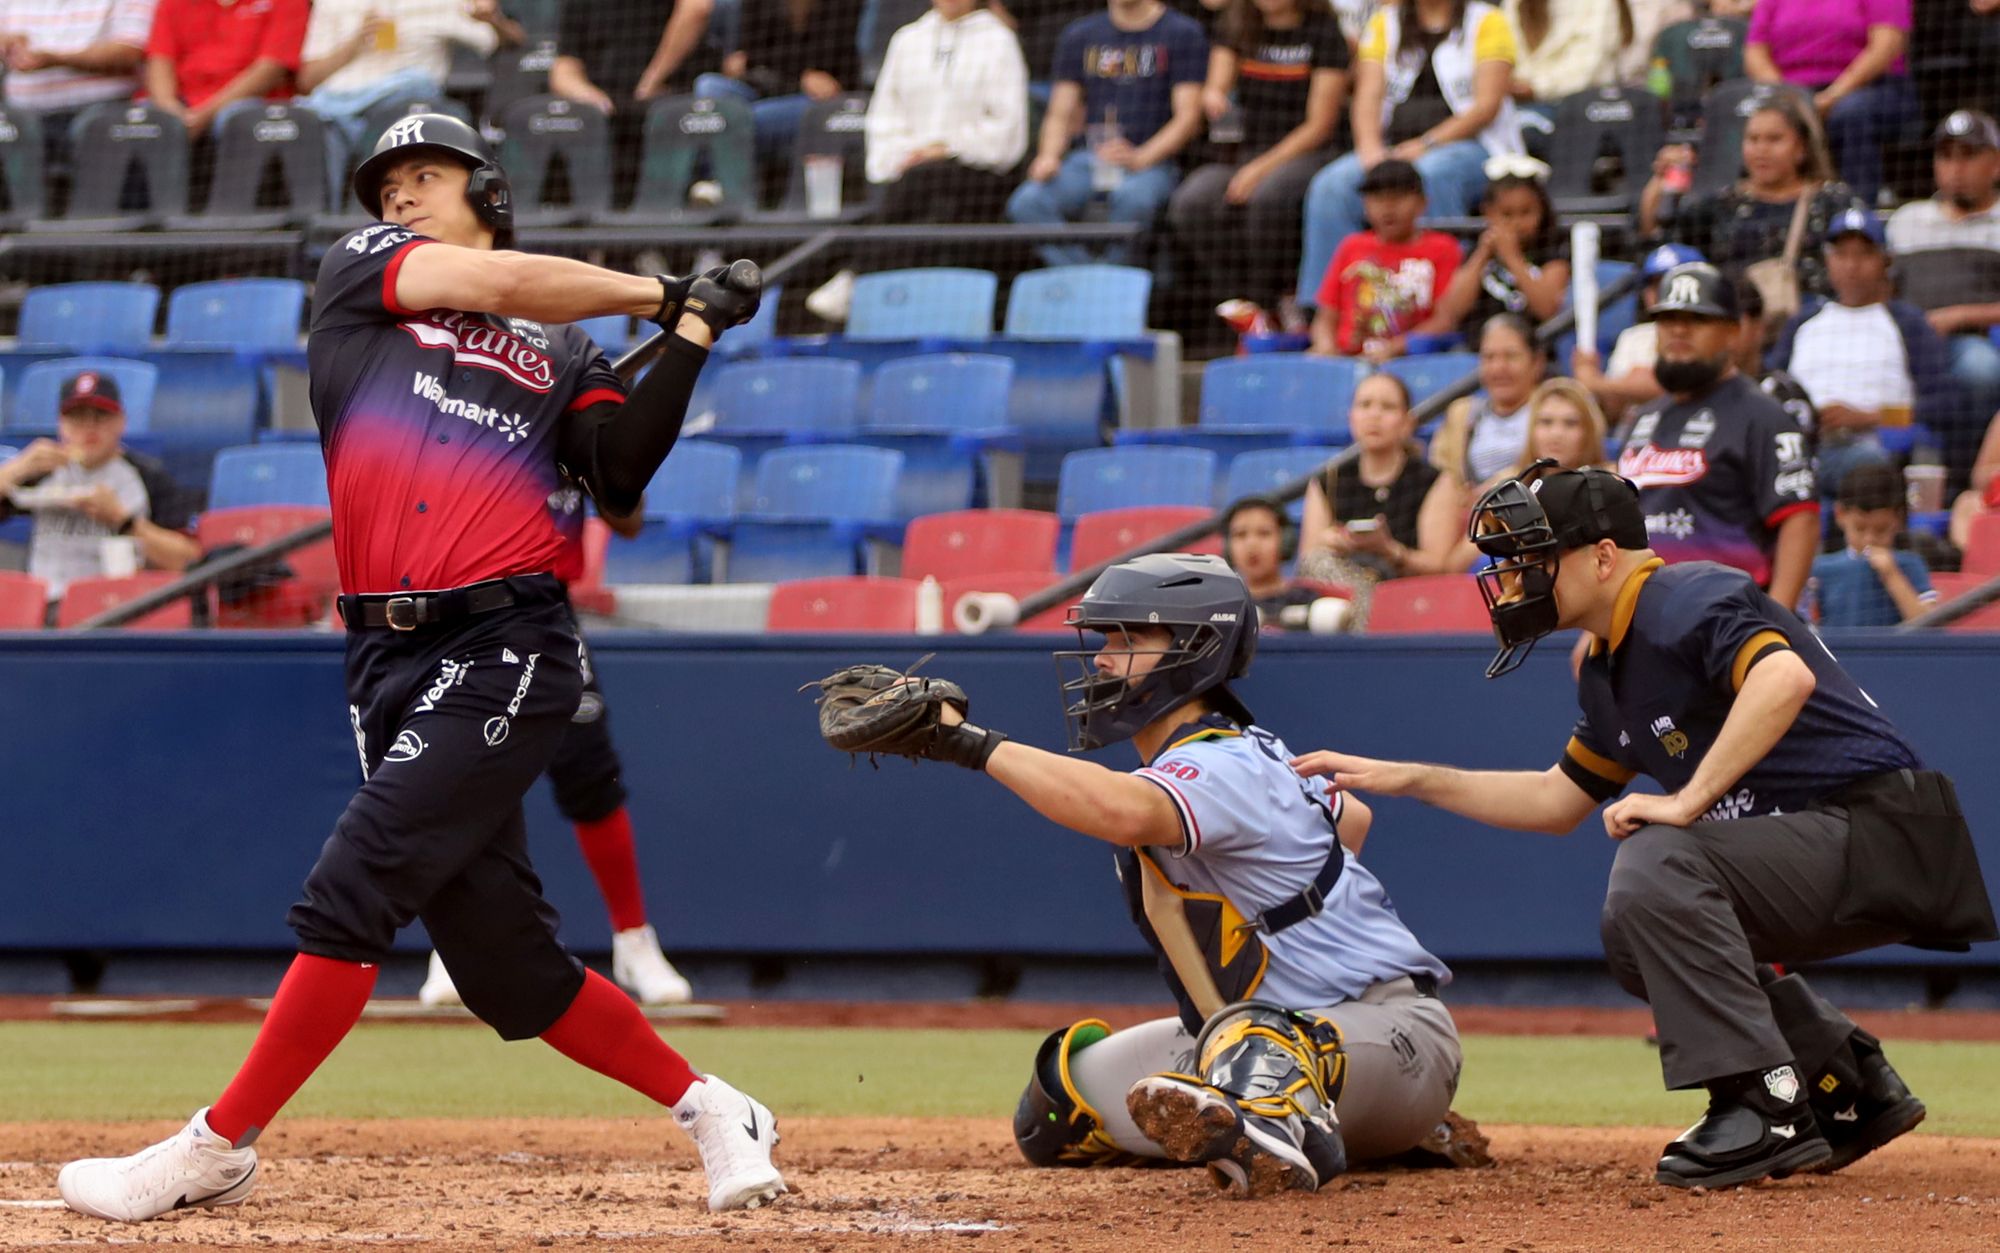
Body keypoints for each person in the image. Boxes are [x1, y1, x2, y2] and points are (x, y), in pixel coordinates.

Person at [55, 115, 782, 1223]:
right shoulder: (362, 273)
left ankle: (216, 1144)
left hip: (505, 642)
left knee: (356, 884)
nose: (398, 198)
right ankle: (713, 1105)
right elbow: (507, 279)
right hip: (384, 656)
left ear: (487, 188)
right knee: (505, 968)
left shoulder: (564, 353)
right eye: (386, 184)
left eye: (425, 177)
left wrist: (690, 334)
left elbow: (619, 471)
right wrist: (655, 293)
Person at [1291, 461, 1993, 1189]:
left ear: (1601, 556)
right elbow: (1555, 799)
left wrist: (1684, 804)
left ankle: (1763, 1103)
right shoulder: (1607, 661)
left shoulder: (1683, 595)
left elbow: (1784, 678)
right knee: (1635, 930)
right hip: (1838, 841)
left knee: (1658, 859)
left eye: (1533, 560)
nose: (1512, 579)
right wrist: (1409, 777)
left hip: (1888, 829)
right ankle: (1843, 1080)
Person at [839, 552, 1461, 1194]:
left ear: (1195, 651)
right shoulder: (1238, 751)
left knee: (1262, 1041)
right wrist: (1295, 900)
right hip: (1270, 1032)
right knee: (1057, 1109)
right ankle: (1321, 1109)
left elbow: (1124, 811)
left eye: (1129, 638)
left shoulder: (1221, 762)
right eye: (1106, 638)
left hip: (1384, 1032)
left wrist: (966, 742)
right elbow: (1350, 818)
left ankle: (1309, 1121)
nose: (1104, 657)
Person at [418, 498, 694, 1010]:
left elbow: (627, 516)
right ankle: (455, 944)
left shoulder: (573, 418)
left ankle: (633, 940)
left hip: (544, 604)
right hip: (460, 607)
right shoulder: (463, 419)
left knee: (590, 772)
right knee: (463, 772)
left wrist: (610, 464)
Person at [1295, 0, 1525, 315]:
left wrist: (1428, 143)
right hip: (1396, 148)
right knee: (1332, 186)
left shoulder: (1487, 21)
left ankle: (1443, 308)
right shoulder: (1383, 23)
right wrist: (1371, 150)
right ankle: (1326, 314)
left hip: (1473, 147)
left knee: (1431, 174)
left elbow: (1486, 106)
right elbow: (1367, 96)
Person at [1617, 262, 1820, 610]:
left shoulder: (1764, 416)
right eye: (1667, 319)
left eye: (1697, 320)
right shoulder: (1644, 418)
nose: (1678, 330)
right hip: (1646, 619)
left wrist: (1777, 617)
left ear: (1733, 331)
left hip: (1728, 618)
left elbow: (1800, 519)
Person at [1165, 0, 1349, 324]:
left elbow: (1320, 125)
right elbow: (1217, 81)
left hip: (1308, 152)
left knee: (1268, 199)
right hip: (1246, 150)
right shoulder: (1236, 25)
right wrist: (1214, 96)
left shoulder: (1324, 32)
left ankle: (1282, 299)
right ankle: (1244, 302)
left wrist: (1260, 169)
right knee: (1192, 201)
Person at [1768, 206, 1957, 496]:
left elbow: (1941, 405)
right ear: (1827, 260)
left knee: (1865, 467)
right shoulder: (1804, 320)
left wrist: (1870, 417)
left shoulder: (1907, 322)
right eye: (1841, 254)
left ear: (1886, 260)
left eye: (1863, 254)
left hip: (1876, 452)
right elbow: (1771, 386)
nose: (1851, 266)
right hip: (1800, 448)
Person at [1006, 0, 1208, 267]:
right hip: (1090, 159)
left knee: (1133, 200)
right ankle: (1089, 278)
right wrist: (1048, 155)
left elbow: (1188, 118)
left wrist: (1141, 157)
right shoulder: (1080, 34)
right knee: (1027, 202)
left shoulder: (1182, 32)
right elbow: (1060, 113)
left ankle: (1111, 284)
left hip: (1154, 164)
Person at [0, 371, 199, 616]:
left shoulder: (148, 476)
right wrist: (14, 470)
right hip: (44, 609)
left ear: (121, 421)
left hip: (117, 610)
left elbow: (189, 561)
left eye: (100, 416)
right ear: (61, 425)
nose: (89, 428)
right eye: (77, 418)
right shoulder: (40, 470)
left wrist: (124, 522)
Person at [298, 0, 524, 209]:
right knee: (307, 123)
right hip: (336, 108)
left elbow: (508, 41)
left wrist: (492, 18)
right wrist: (356, 42)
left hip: (404, 103)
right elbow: (307, 80)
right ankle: (329, 230)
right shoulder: (331, 3)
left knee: (413, 93)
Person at [1642, 96, 1859, 307]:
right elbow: (1662, 248)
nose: (1761, 150)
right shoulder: (1717, 206)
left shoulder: (1833, 202)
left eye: (1774, 139)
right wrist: (1658, 184)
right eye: (1753, 139)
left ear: (1801, 148)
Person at [1886, 109, 2000, 492]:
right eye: (1946, 156)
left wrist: (1960, 315)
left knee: (1980, 370)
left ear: (1995, 163)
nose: (1956, 168)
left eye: (1969, 156)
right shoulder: (1907, 220)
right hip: (1904, 341)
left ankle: (1966, 482)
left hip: (1971, 341)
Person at [1418, 374, 1611, 571]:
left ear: (1588, 431)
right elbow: (1455, 565)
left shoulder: (1608, 486)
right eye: (1545, 422)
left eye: (1570, 423)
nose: (1556, 433)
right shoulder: (1508, 491)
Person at [863, 0, 1030, 223]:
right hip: (906, 173)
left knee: (926, 187)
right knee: (913, 187)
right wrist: (912, 153)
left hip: (975, 178)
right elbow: (884, 117)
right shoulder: (906, 40)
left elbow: (1006, 126)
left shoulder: (999, 41)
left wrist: (949, 147)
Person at [1743, 0, 1913, 206]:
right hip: (1792, 93)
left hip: (1870, 87)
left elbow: (1887, 44)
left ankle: (1856, 211)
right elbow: (1755, 52)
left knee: (1849, 113)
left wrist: (1833, 95)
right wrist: (1788, 97)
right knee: (1753, 114)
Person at [555, 0, 717, 204]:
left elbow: (698, 8)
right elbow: (563, 66)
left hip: (669, 102)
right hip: (607, 113)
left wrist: (652, 80)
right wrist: (585, 94)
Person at [1307, 157, 1462, 359]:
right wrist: (1325, 346)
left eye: (1398, 198)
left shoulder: (1443, 248)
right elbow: (1326, 318)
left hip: (1411, 360)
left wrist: (1395, 348)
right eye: (1378, 199)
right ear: (1364, 205)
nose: (1388, 208)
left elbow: (1445, 320)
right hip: (1347, 359)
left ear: (1422, 203)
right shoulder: (1351, 246)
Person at [1299, 370, 1442, 586]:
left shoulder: (1433, 480)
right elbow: (1308, 562)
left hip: (1410, 595)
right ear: (1351, 417)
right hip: (1340, 595)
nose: (1374, 415)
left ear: (1407, 422)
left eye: (1388, 407)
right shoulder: (1328, 479)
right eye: (1365, 405)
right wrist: (1330, 542)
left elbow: (1440, 566)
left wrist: (1389, 551)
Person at [0, 0, 155, 185]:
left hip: (109, 118)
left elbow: (130, 52)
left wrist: (56, 59)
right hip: (21, 121)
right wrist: (6, 43)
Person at [693, 0, 865, 159]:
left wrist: (760, 63)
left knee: (747, 120)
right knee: (709, 85)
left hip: (812, 100)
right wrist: (800, 77)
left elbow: (835, 67)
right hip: (764, 87)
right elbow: (752, 52)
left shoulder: (843, 4)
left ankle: (723, 177)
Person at [1424, 156, 1569, 337]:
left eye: (1526, 212)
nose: (1517, 223)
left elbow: (1546, 309)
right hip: (1476, 351)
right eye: (1507, 214)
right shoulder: (1476, 251)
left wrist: (1512, 257)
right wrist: (1482, 255)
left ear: (1542, 211)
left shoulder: (1552, 252)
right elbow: (1451, 312)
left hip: (1530, 349)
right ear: (1489, 212)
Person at [1572, 242, 1705, 425]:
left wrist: (1595, 381)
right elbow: (1613, 411)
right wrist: (1593, 377)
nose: (1660, 292)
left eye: (1670, 282)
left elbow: (1670, 387)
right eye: (1654, 284)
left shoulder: (1708, 333)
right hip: (1635, 438)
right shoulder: (1633, 337)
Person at [142, 0, 308, 140]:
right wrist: (170, 110)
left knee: (236, 119)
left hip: (249, 102)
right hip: (184, 102)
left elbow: (271, 69)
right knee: (139, 119)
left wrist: (204, 115)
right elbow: (159, 60)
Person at [1424, 312, 1550, 489]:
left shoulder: (1552, 410)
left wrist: (1497, 488)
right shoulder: (1462, 413)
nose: (1499, 367)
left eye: (1511, 356)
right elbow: (1441, 473)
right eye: (1489, 357)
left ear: (1537, 362)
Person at [1806, 461, 1937, 626]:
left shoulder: (1910, 565)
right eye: (1860, 528)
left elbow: (1930, 626)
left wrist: (1892, 575)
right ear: (1839, 515)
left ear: (1898, 519)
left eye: (1881, 530)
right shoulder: (1820, 569)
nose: (1869, 539)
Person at [1502, 0, 1629, 105]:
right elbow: (1508, 51)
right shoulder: (1513, 3)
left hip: (1582, 105)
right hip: (1519, 103)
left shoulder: (1601, 4)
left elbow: (1588, 68)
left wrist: (1535, 88)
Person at [1222, 494, 1321, 626]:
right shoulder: (1223, 605)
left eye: (1264, 533)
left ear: (1286, 541)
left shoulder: (1307, 603)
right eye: (1240, 534)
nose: (1252, 545)